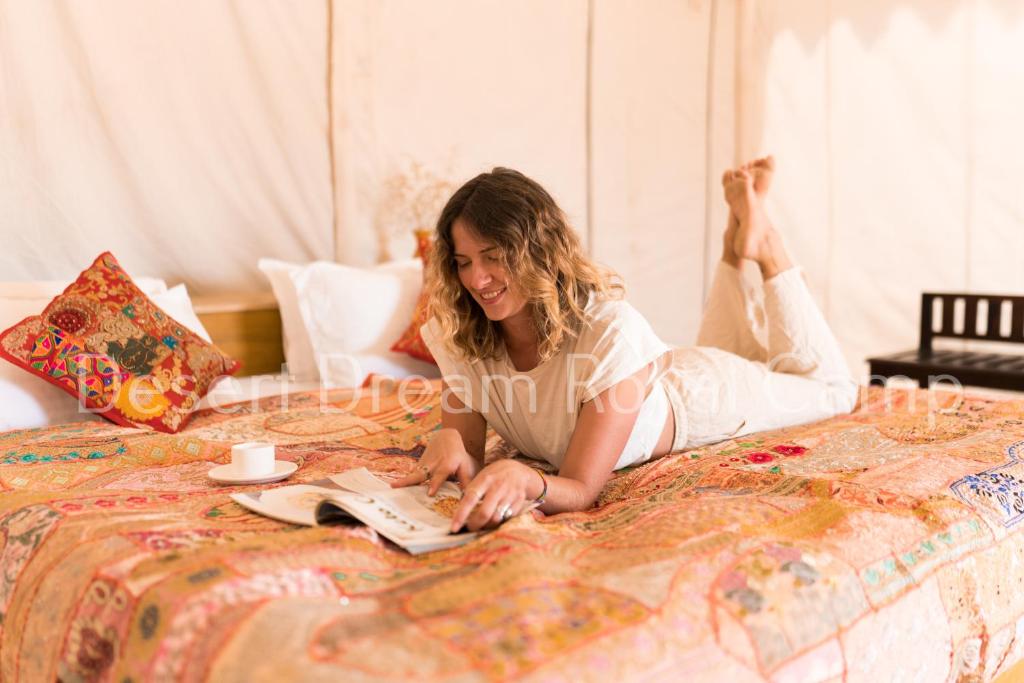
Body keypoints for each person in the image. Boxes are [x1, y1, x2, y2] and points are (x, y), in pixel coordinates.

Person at [391, 161, 858, 533]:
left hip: (703, 397)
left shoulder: (607, 331)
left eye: (493, 257)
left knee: (833, 388)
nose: (477, 279)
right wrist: (451, 441)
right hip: (650, 379)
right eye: (464, 262)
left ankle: (767, 246)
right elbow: (468, 460)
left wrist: (530, 480)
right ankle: (735, 246)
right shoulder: (464, 336)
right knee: (731, 344)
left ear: (538, 250)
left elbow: (579, 488)